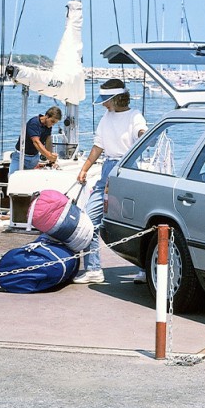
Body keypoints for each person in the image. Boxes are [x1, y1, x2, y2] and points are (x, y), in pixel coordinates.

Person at [73, 79, 147, 283]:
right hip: (107, 169)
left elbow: (141, 133)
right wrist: (84, 169)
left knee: (134, 222)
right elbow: (98, 146)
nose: (104, 104)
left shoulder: (134, 116)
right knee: (88, 219)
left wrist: (143, 134)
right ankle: (94, 269)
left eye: (106, 100)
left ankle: (144, 269)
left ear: (116, 99)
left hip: (128, 168)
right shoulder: (106, 117)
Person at [8, 105, 62, 175]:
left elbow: (48, 141)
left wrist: (51, 159)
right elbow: (36, 142)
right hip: (20, 156)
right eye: (52, 121)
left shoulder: (48, 126)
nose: (53, 124)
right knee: (13, 177)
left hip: (34, 158)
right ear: (47, 116)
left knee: (29, 181)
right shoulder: (34, 123)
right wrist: (49, 155)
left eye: (55, 123)